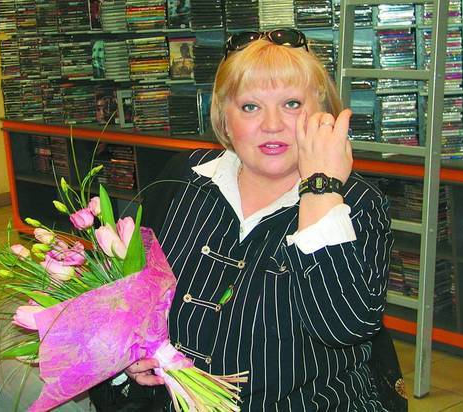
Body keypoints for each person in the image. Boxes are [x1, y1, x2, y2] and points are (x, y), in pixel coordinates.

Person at [90, 28, 402, 411]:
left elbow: (344, 327)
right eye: (250, 107)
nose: (272, 125)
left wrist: (320, 190)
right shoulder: (183, 177)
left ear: (321, 114)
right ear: (224, 117)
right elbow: (132, 292)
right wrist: (128, 353)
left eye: (291, 104)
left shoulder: (356, 203)